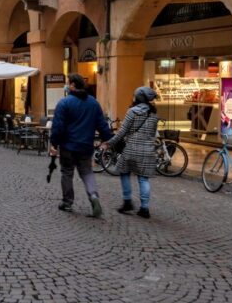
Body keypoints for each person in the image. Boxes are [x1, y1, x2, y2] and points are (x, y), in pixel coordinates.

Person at [49, 73, 113, 217]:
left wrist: (54, 143)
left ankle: (67, 203)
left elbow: (58, 126)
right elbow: (102, 124)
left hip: (68, 146)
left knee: (67, 172)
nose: (66, 85)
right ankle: (94, 196)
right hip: (85, 146)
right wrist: (106, 140)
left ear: (72, 85)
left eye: (67, 83)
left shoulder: (64, 103)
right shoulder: (93, 103)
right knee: (87, 173)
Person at [102, 86, 160, 219]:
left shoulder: (132, 111)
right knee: (143, 179)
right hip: (147, 150)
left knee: (124, 172)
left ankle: (127, 201)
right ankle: (144, 208)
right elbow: (152, 134)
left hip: (132, 148)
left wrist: (109, 143)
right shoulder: (154, 114)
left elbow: (122, 132)